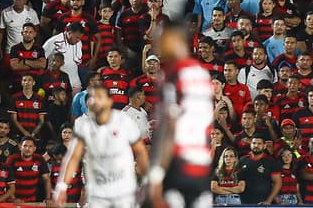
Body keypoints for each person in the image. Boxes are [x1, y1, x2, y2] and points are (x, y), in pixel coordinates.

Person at [147, 24, 215, 208]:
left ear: (176, 40)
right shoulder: (202, 74)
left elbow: (169, 125)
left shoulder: (173, 74)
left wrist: (155, 175)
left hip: (177, 163)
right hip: (200, 163)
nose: (157, 45)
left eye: (161, 40)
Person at [54, 83, 149, 207]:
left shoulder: (124, 120)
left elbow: (140, 152)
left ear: (109, 101)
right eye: (92, 98)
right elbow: (74, 156)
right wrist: (62, 186)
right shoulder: (82, 124)